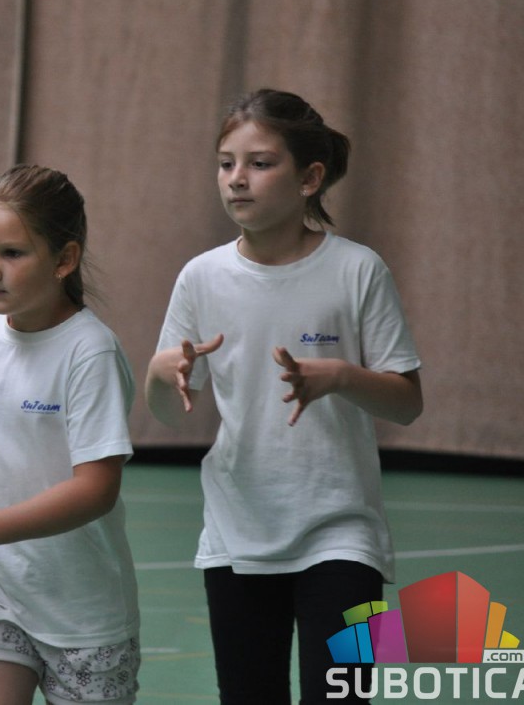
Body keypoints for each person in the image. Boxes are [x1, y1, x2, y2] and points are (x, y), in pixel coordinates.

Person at [143, 89, 423, 703]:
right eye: (226, 163)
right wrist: (162, 377)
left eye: (260, 163)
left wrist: (341, 376)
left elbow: (407, 402)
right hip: (236, 533)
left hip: (343, 534)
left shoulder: (358, 270)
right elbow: (167, 412)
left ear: (309, 178)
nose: (237, 179)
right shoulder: (200, 277)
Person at [0, 165, 141, 705]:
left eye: (12, 253)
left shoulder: (90, 351)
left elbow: (96, 489)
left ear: (65, 259)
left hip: (83, 614)